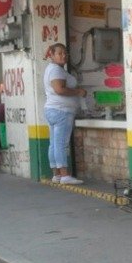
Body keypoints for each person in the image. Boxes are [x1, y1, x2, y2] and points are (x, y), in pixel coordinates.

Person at [43, 43, 87, 185]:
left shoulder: (52, 69)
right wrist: (78, 92)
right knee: (61, 143)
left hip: (53, 110)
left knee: (54, 143)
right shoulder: (56, 70)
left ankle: (56, 175)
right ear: (52, 55)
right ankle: (65, 175)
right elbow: (59, 89)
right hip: (62, 111)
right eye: (60, 53)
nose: (64, 56)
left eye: (65, 53)